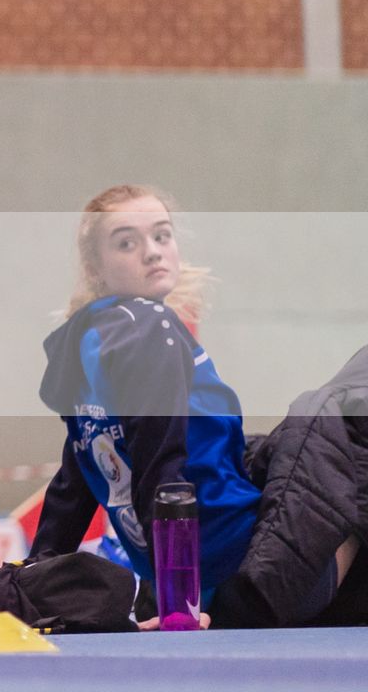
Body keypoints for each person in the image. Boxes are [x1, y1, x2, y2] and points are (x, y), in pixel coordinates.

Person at [32, 184, 359, 627]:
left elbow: (73, 484)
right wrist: (177, 606)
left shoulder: (85, 342)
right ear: (96, 268)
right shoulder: (149, 327)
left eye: (162, 236)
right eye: (127, 243)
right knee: (338, 414)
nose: (152, 253)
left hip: (204, 584)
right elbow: (161, 473)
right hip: (260, 576)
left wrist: (31, 586)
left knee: (277, 445)